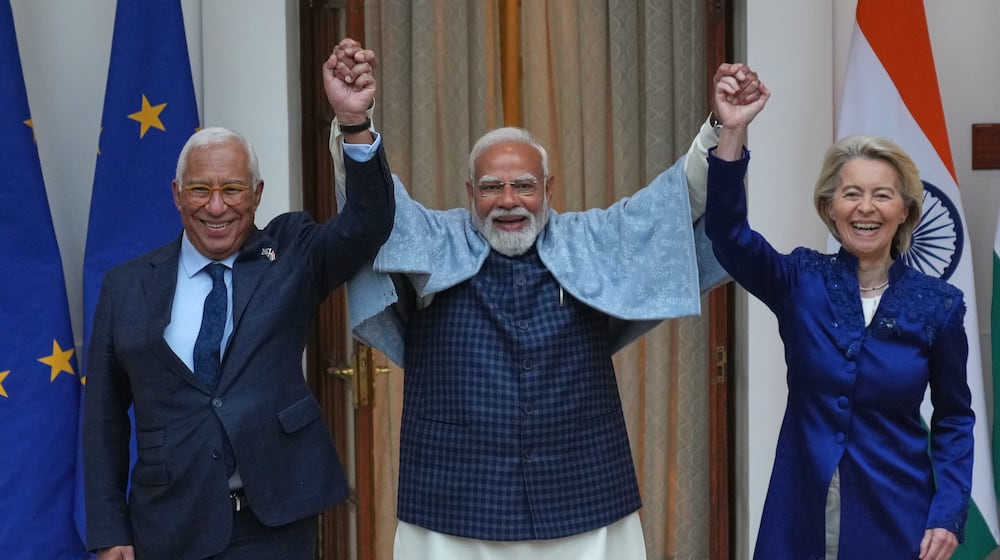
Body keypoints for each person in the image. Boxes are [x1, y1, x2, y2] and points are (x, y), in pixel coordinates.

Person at [326, 38, 762, 558]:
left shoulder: (592, 238)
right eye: (491, 187)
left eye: (524, 186)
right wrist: (355, 124)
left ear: (549, 189)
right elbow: (372, 207)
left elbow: (676, 200)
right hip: (455, 494)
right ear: (469, 194)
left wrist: (723, 127)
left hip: (582, 489)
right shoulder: (432, 237)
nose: (508, 201)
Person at [82, 76, 395, 560]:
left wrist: (354, 124)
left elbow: (368, 223)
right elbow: (103, 418)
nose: (216, 206)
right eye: (200, 190)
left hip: (274, 518)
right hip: (170, 521)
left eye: (232, 189)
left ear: (257, 193)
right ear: (176, 193)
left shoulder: (292, 253)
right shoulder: (126, 287)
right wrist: (108, 530)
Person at [705, 70, 973, 559]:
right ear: (829, 207)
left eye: (882, 194)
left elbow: (954, 418)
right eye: (850, 193)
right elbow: (728, 235)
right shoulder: (799, 281)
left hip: (897, 514)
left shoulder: (939, 305)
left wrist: (949, 511)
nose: (864, 208)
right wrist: (733, 131)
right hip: (799, 512)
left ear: (905, 212)